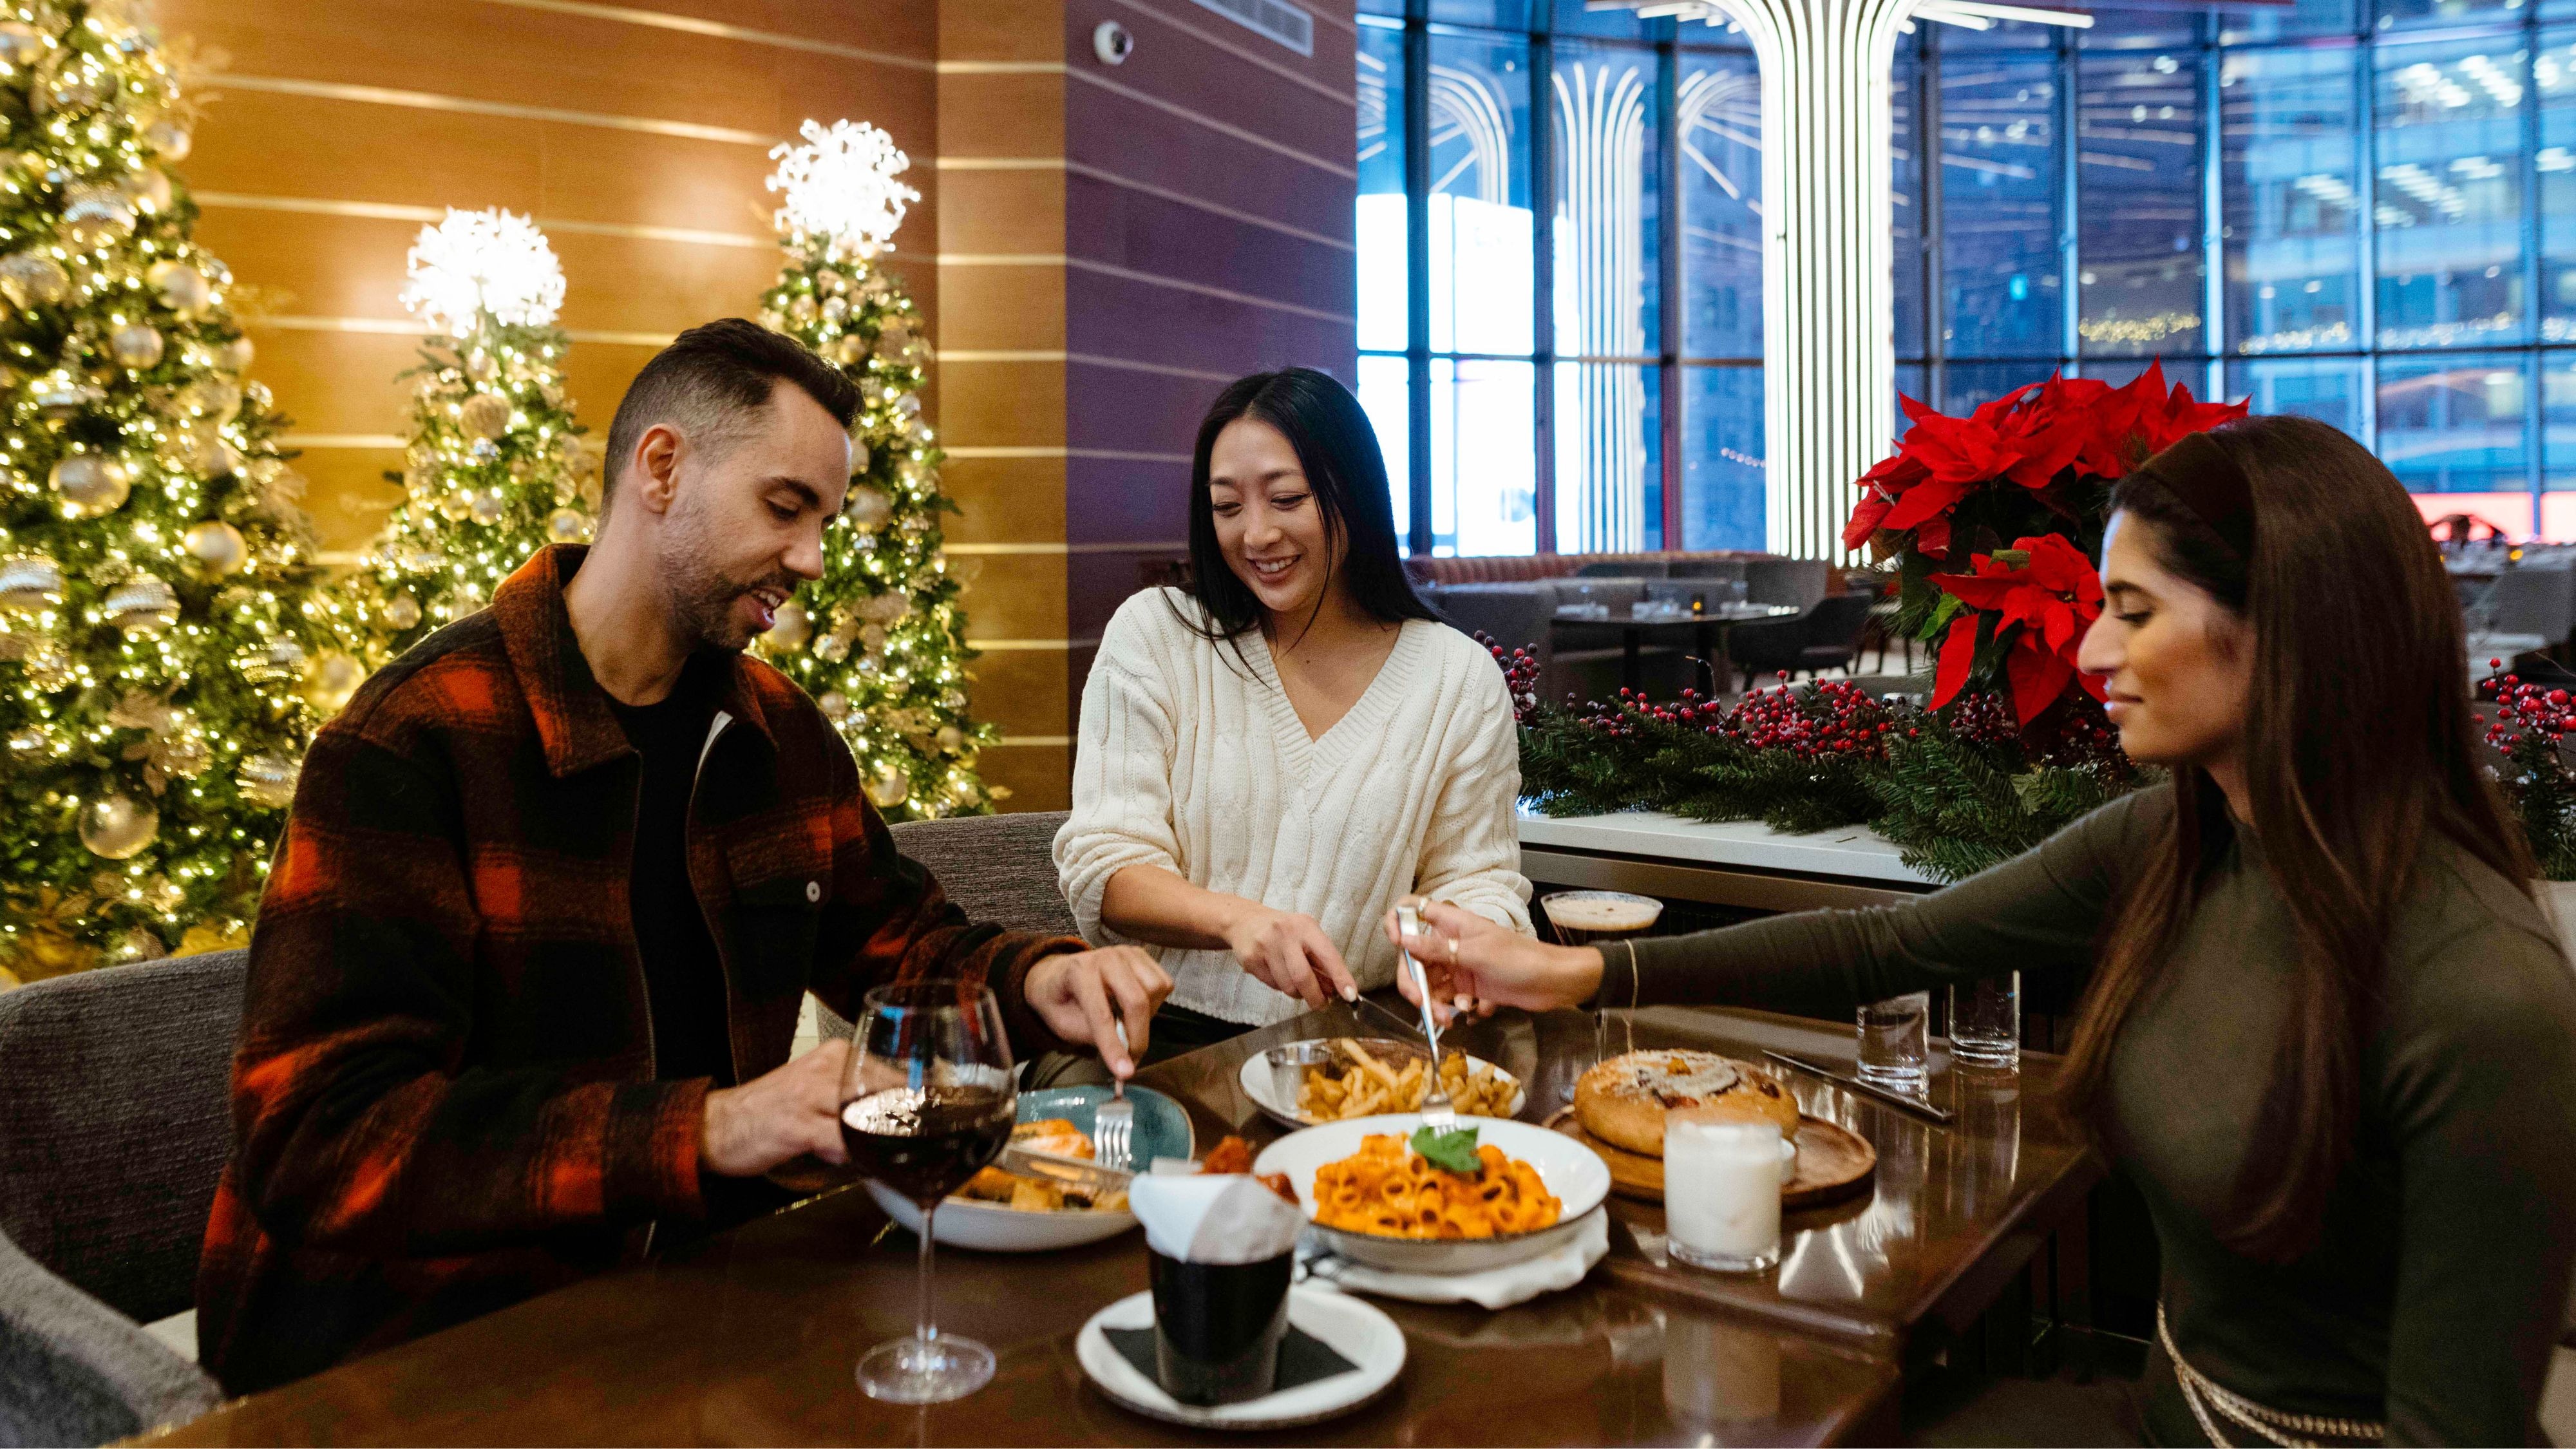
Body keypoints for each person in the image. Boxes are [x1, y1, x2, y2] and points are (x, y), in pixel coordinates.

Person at [1388, 415, 2576, 1446]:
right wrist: (1570, 971)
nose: (2091, 649)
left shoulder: (2479, 994)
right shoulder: (2181, 839)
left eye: (2134, 610)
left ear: (2289, 628)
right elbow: (1884, 949)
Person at [198, 319, 1171, 1394]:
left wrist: (1042, 977)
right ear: (662, 468)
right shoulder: (415, 739)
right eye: (784, 507)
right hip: (420, 1346)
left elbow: (903, 946)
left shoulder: (777, 732)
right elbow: (322, 1141)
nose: (811, 559)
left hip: (696, 1301)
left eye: (824, 522)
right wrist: (710, 1129)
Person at [1054, 367, 1531, 1049]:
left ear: (1355, 495)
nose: (1256, 535)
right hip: (1165, 1040)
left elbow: (1479, 880)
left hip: (1365, 1040)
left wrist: (1452, 946)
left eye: (1286, 499)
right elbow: (1104, 863)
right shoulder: (1157, 635)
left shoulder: (1456, 676)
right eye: (1226, 509)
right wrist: (1238, 921)